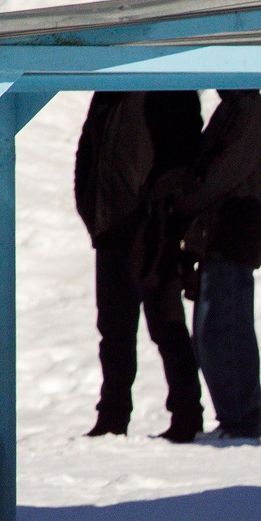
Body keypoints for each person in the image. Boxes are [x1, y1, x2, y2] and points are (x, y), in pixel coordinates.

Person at [74, 91, 205, 440]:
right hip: (111, 231)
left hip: (154, 231)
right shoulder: (106, 94)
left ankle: (187, 415)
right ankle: (112, 417)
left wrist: (160, 212)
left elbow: (186, 155)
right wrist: (91, 209)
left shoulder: (170, 87)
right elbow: (87, 153)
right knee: (114, 331)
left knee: (166, 324)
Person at [149, 89, 261, 441]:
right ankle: (233, 421)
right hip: (213, 244)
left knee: (227, 332)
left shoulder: (248, 112)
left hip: (231, 243)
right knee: (210, 335)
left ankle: (242, 423)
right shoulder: (231, 110)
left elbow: (222, 173)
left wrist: (181, 199)